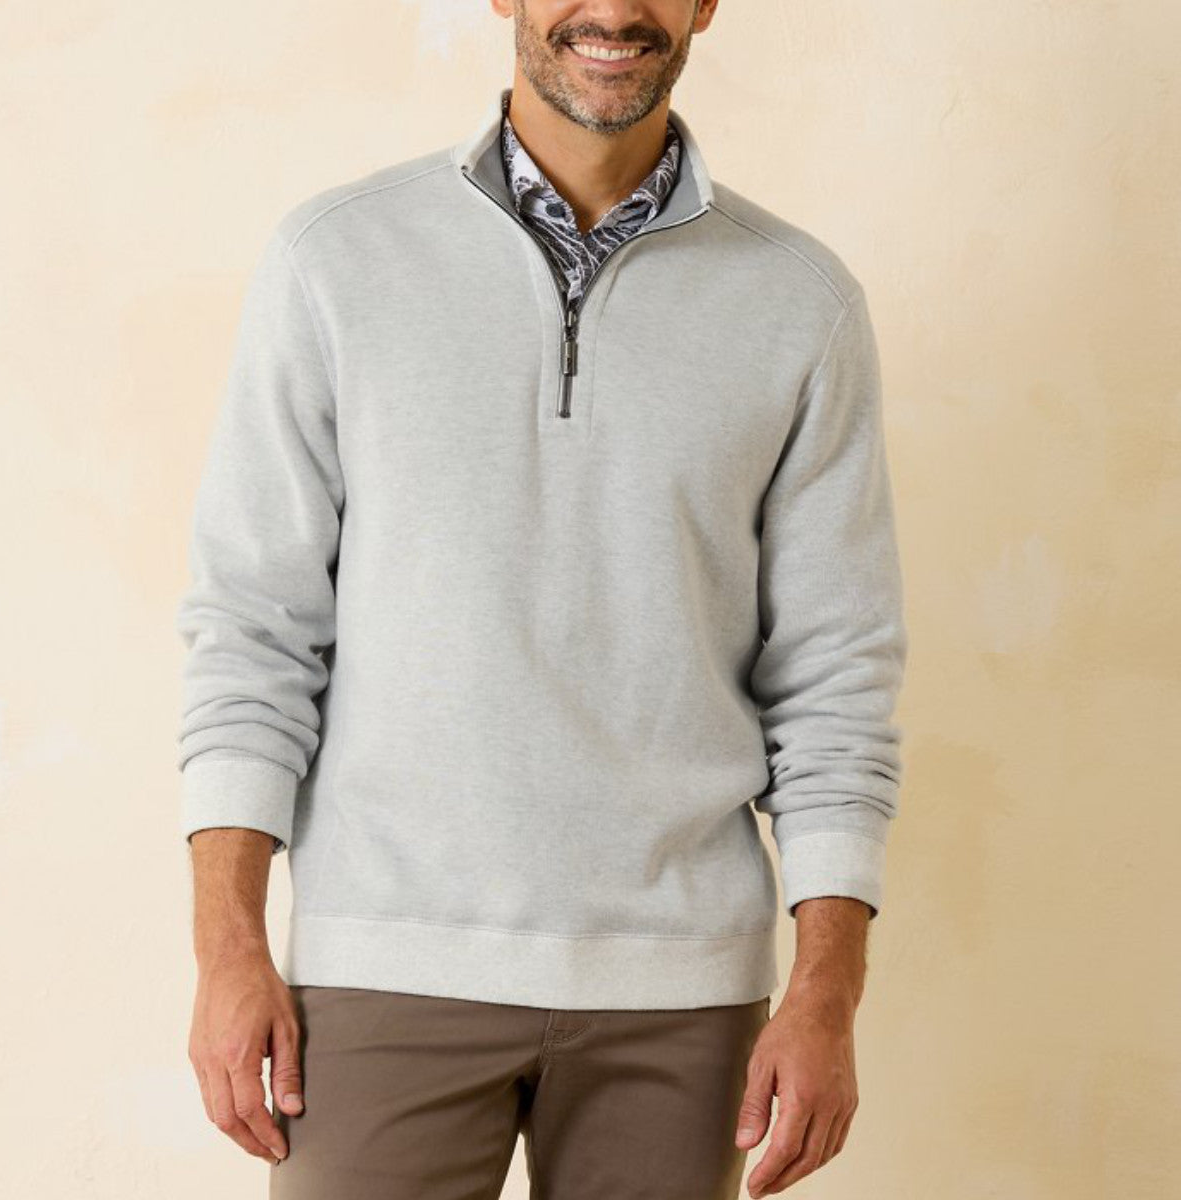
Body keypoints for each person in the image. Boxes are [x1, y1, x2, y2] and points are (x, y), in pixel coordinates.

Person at [177, 2, 909, 1197]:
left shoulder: (801, 304)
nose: (612, 10)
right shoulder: (337, 260)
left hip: (682, 996)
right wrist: (228, 952)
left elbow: (836, 681)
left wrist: (826, 996)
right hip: (384, 968)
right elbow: (253, 633)